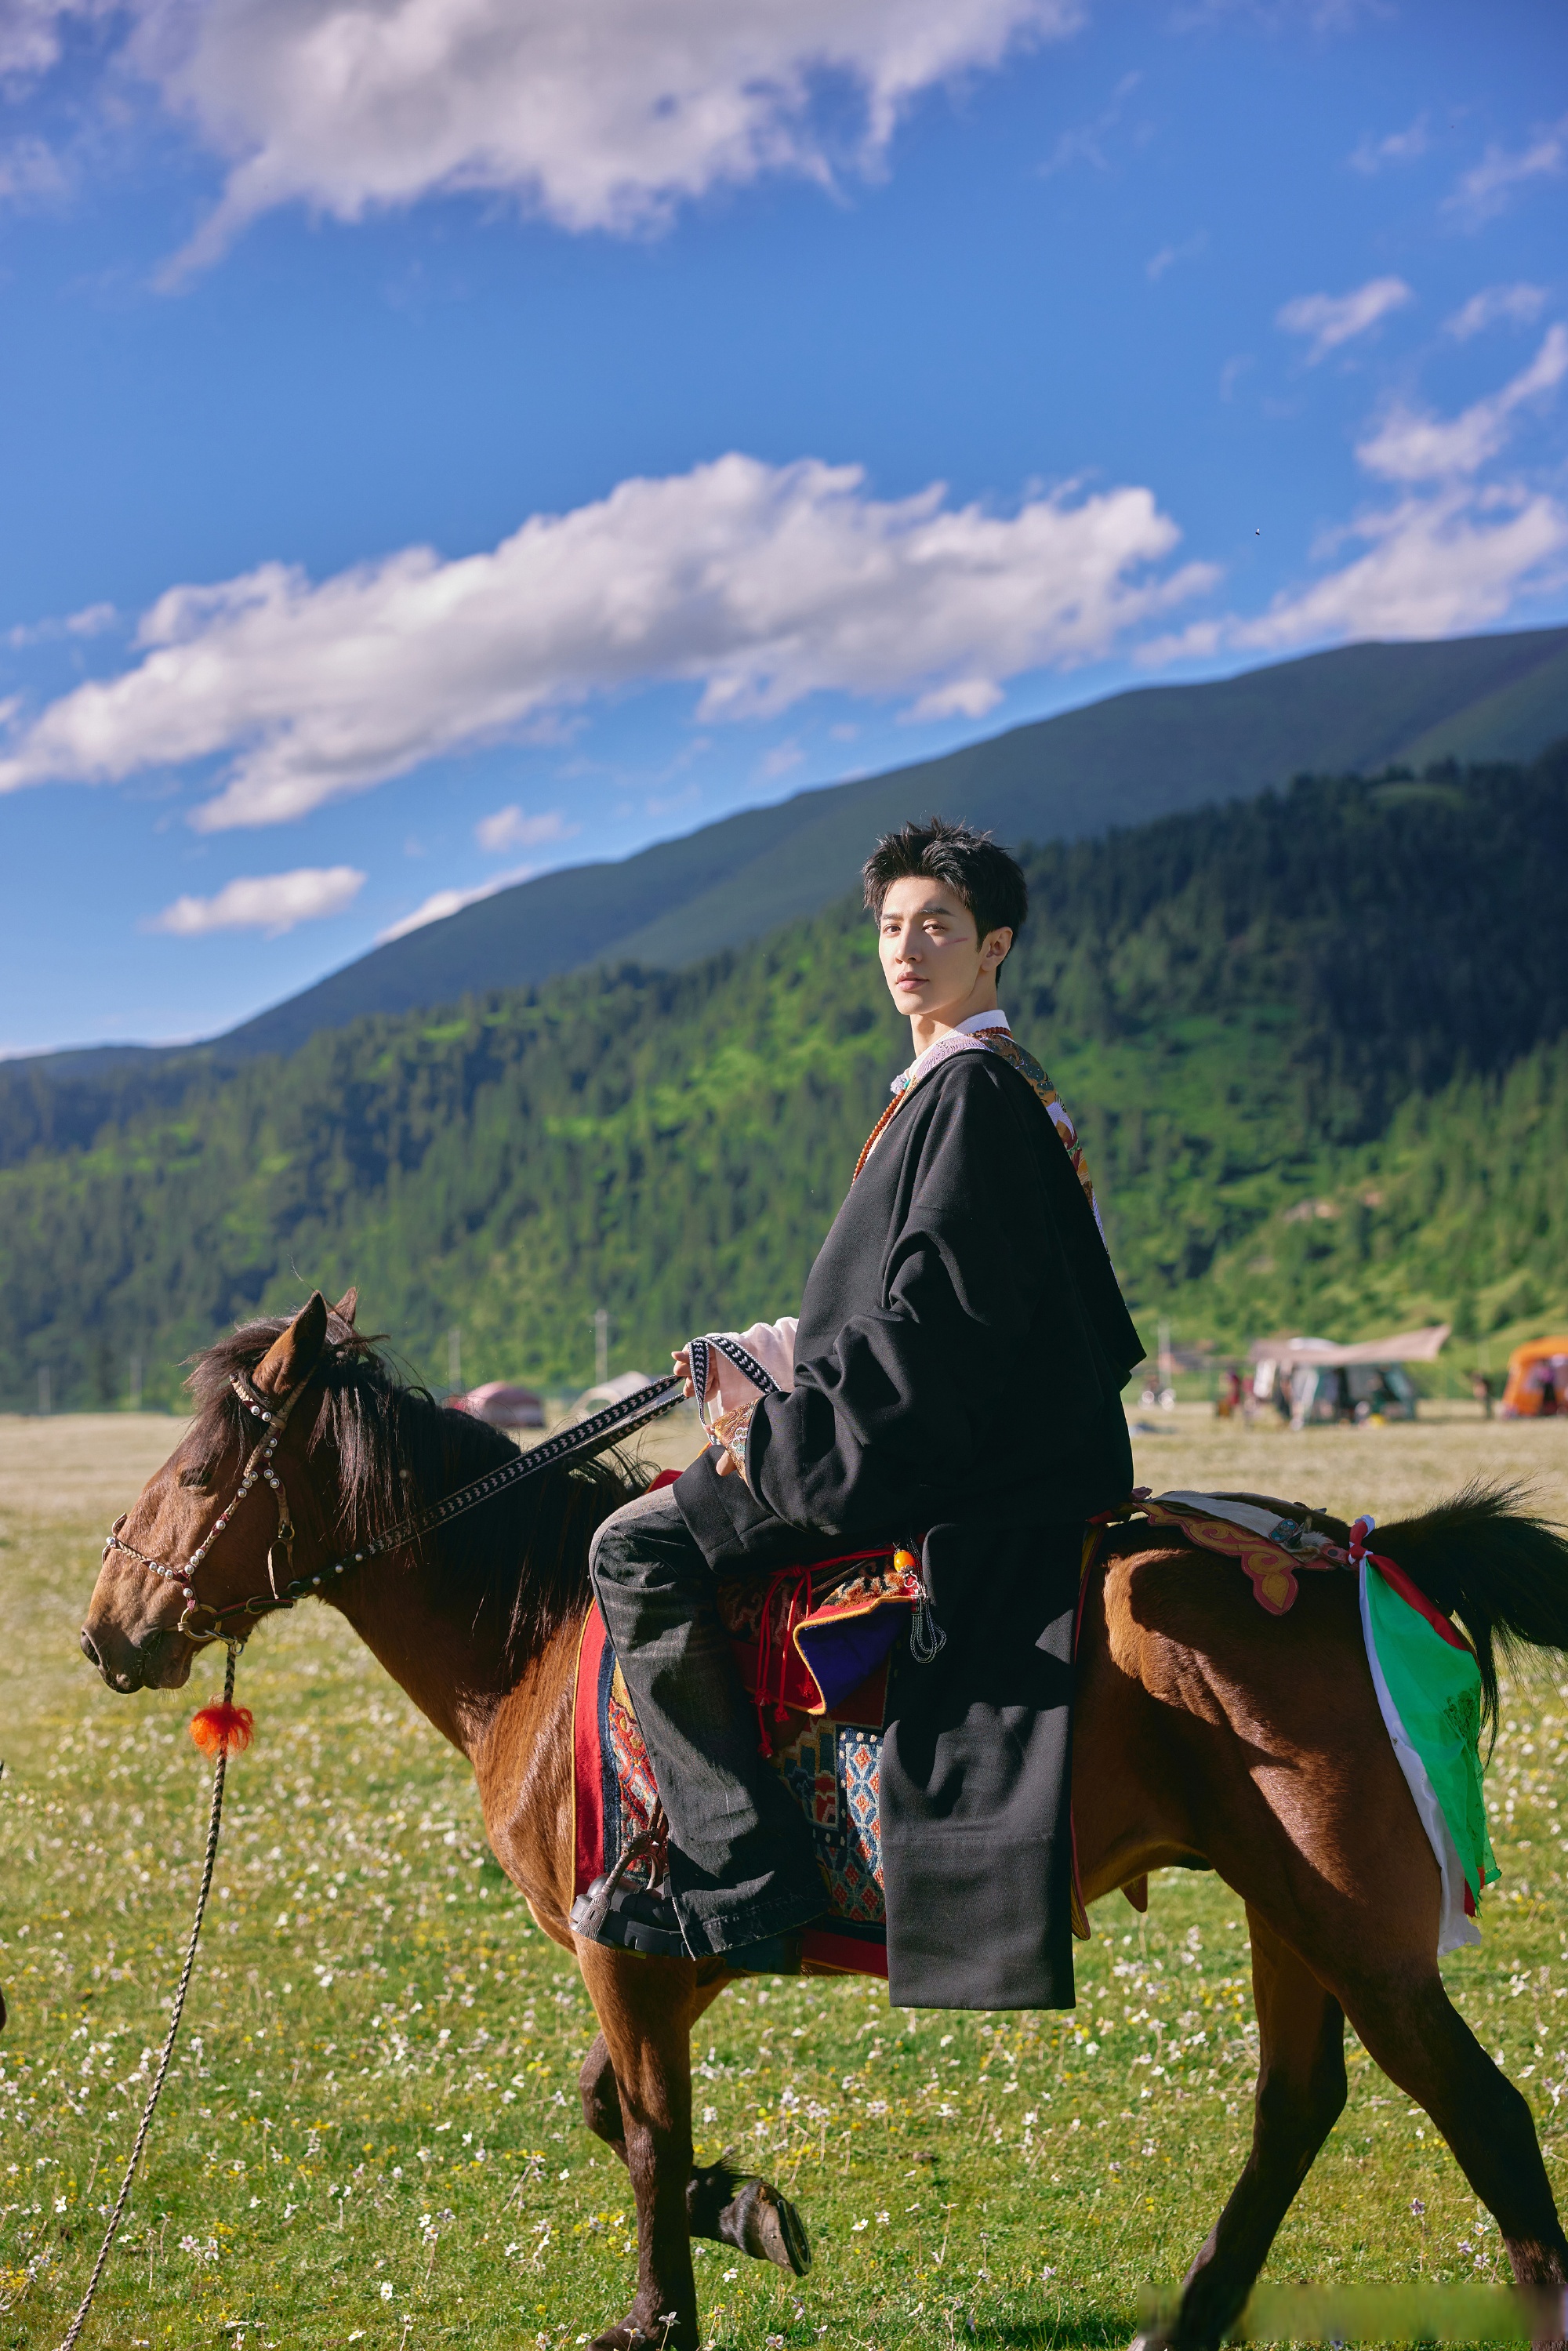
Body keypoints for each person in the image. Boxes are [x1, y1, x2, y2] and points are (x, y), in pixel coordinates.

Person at [581, 817, 1144, 2006]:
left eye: (938, 925)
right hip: (964, 1436)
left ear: (995, 945)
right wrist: (774, 1354)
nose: (908, 948)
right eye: (891, 926)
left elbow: (933, 1343)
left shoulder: (973, 1097)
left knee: (633, 1545)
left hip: (962, 1467)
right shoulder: (966, 1094)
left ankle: (742, 1878)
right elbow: (902, 1310)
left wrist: (770, 1432)